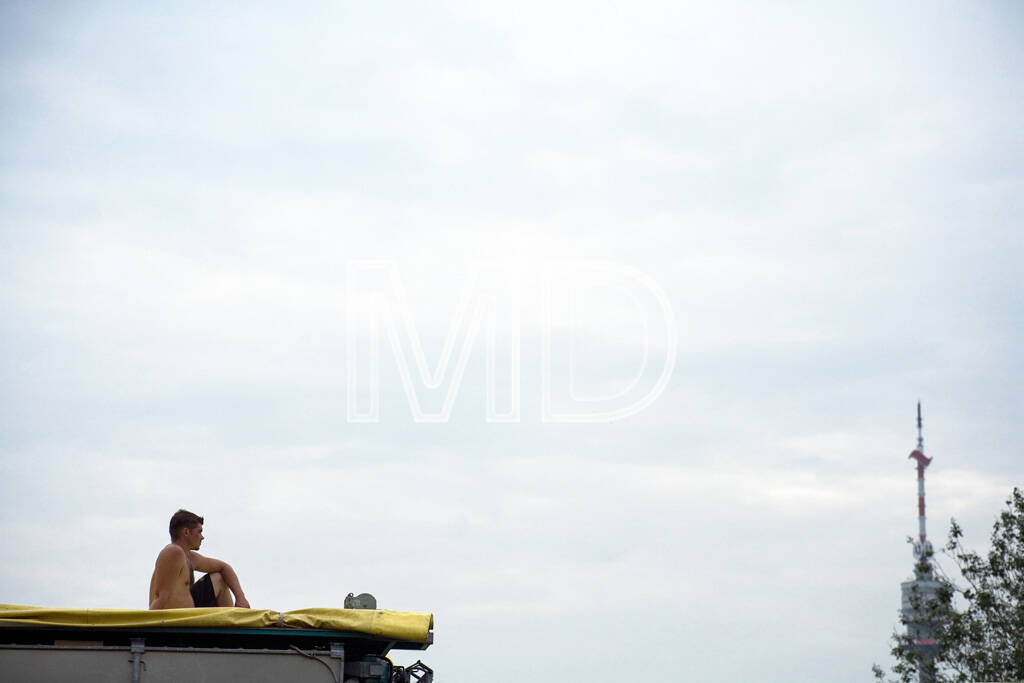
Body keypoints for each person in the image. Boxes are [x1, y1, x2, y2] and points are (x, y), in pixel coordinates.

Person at [149, 509, 251, 609]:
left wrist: (240, 598)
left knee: (218, 578)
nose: (202, 537)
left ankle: (232, 618)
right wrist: (147, 620)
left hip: (191, 613)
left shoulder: (190, 557)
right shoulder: (172, 552)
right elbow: (160, 596)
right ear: (186, 532)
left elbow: (224, 567)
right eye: (199, 532)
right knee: (218, 578)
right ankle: (232, 619)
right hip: (174, 618)